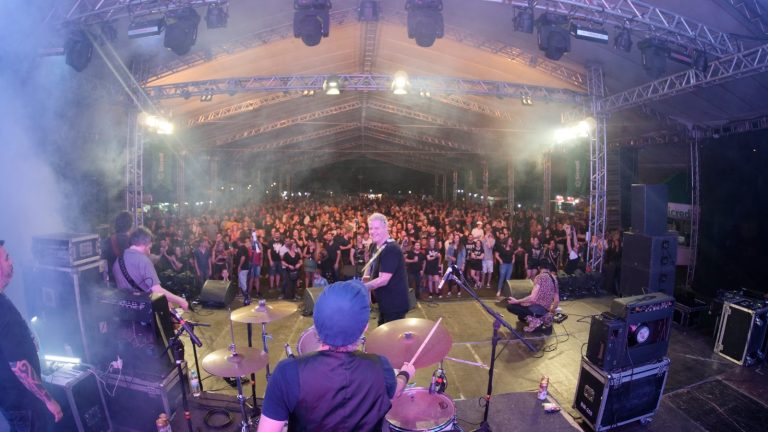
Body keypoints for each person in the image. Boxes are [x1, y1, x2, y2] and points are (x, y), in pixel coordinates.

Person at [257, 280, 415, 432]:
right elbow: (395, 391)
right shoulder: (381, 367)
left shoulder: (287, 373)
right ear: (364, 328)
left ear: (316, 326)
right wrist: (405, 374)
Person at [0, 240, 64, 430]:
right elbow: (18, 365)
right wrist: (48, 400)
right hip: (23, 401)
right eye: (6, 258)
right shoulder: (3, 310)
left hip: (8, 398)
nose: (11, 262)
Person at [113, 228, 189, 311]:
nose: (151, 246)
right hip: (143, 313)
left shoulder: (117, 261)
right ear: (144, 243)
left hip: (125, 312)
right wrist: (181, 301)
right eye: (150, 243)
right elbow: (157, 290)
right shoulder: (143, 260)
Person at [363, 213, 410, 326]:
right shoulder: (374, 245)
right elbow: (370, 264)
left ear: (386, 228)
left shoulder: (391, 249)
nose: (373, 231)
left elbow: (384, 279)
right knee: (382, 335)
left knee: (391, 340)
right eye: (370, 228)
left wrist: (363, 287)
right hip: (384, 302)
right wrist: (365, 278)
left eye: (377, 228)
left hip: (395, 304)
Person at [506, 261, 559, 332]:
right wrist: (551, 311)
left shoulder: (539, 277)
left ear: (539, 268)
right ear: (548, 269)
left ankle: (535, 321)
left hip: (536, 310)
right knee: (520, 317)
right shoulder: (554, 279)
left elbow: (532, 298)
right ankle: (543, 318)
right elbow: (557, 300)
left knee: (510, 306)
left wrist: (517, 301)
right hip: (545, 310)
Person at [101, 210, 133, 286]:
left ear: (116, 224)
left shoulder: (107, 241)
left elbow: (102, 261)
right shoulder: (133, 241)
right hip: (130, 281)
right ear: (130, 225)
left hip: (113, 281)